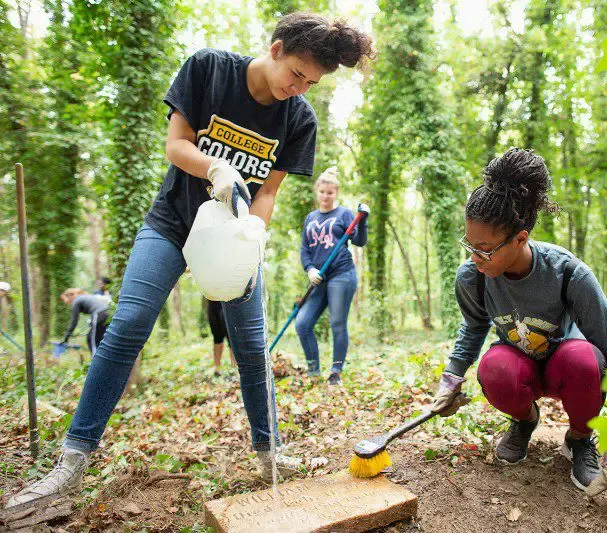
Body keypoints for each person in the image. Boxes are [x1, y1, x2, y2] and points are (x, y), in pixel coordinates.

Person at [5, 13, 374, 509]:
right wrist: (215, 166)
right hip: (172, 225)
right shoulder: (209, 69)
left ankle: (270, 453)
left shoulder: (299, 119)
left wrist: (253, 234)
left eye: (311, 82)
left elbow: (268, 193)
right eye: (296, 74)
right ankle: (71, 462)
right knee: (129, 322)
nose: (299, 88)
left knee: (252, 347)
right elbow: (176, 145)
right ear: (276, 48)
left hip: (233, 239)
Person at [431, 148, 607, 493]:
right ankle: (525, 421)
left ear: (520, 238)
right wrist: (451, 377)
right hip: (519, 365)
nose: (475, 257)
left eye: (484, 249)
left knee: (586, 360)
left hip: (566, 367)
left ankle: (580, 439)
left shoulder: (568, 273)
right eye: (470, 245)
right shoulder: (472, 277)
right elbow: (475, 326)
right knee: (495, 367)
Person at [295, 167, 368, 385]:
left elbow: (359, 241)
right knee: (302, 323)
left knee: (337, 322)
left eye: (330, 193)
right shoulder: (310, 218)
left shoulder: (344, 214)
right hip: (319, 278)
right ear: (316, 191)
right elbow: (305, 249)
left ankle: (336, 371)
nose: (326, 196)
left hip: (341, 274)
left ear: (336, 193)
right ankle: (313, 371)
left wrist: (362, 220)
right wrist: (310, 269)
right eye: (322, 192)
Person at [59, 288, 111, 356]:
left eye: (65, 300)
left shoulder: (76, 301)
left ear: (69, 296)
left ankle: (95, 360)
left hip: (100, 313)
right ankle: (104, 358)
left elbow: (74, 322)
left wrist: (66, 337)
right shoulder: (83, 297)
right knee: (95, 338)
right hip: (107, 313)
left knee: (93, 341)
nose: (66, 303)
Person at [206, 298, 235, 375]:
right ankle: (217, 369)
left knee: (231, 338)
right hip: (212, 303)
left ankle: (234, 369)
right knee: (217, 337)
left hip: (226, 302)